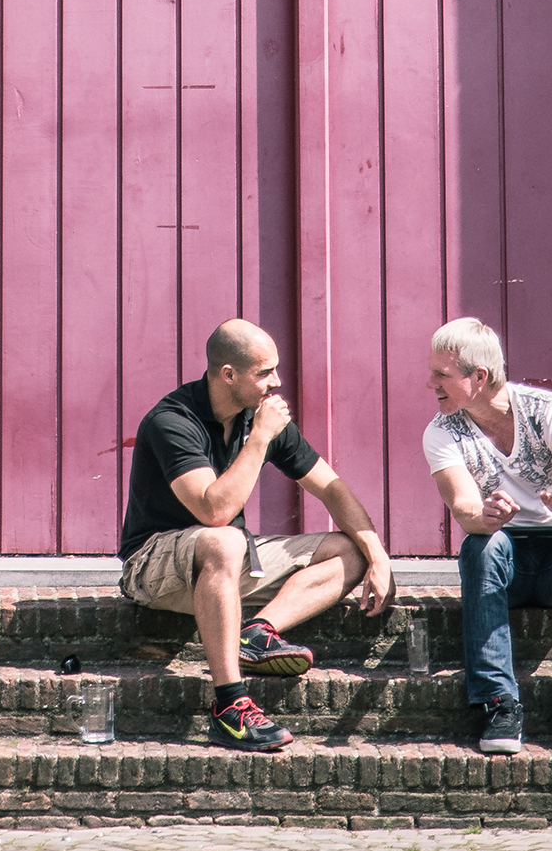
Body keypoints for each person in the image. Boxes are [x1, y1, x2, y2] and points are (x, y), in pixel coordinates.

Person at [120, 316, 393, 754]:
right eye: (265, 372)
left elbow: (332, 489)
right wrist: (261, 438)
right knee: (225, 538)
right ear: (229, 374)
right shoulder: (172, 421)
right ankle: (230, 705)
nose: (277, 382)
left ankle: (260, 631)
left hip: (223, 566)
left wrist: (378, 557)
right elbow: (214, 511)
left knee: (351, 549)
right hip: (154, 567)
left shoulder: (258, 418)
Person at [423, 316, 552, 759]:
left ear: (479, 377)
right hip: (502, 558)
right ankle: (497, 702)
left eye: (441, 374)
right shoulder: (441, 431)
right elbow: (464, 509)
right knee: (482, 545)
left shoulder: (548, 411)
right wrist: (486, 515)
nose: (430, 383)